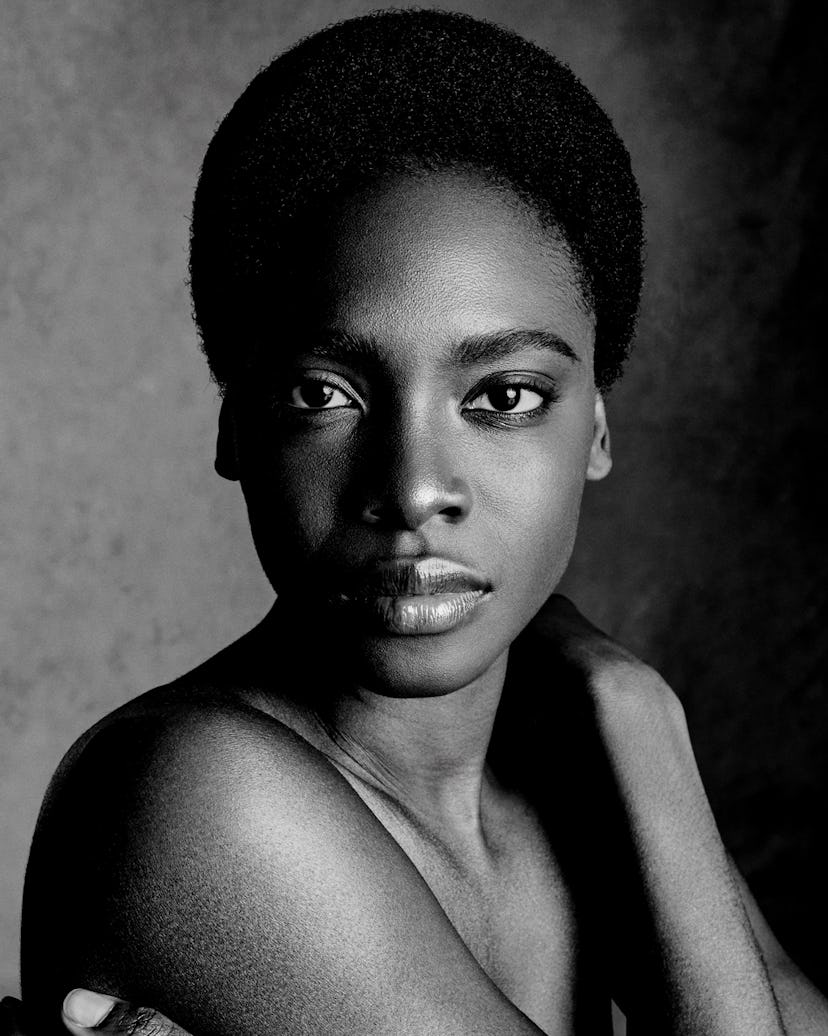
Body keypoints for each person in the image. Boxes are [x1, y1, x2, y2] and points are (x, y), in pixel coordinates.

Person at [9, 9, 828, 1036]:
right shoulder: (190, 795)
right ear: (236, 428)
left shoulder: (572, 776)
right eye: (324, 395)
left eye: (504, 397)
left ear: (598, 430)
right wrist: (643, 732)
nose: (412, 487)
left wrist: (631, 733)